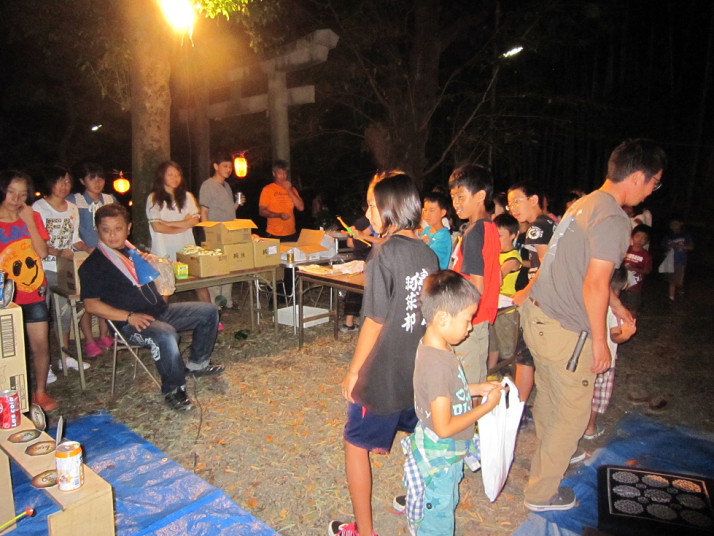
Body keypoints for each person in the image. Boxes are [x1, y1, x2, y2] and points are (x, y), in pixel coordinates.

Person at [513, 138, 666, 511]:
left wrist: (617, 305)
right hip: (565, 329)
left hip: (538, 316)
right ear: (638, 176)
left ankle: (550, 460)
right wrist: (600, 341)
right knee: (573, 413)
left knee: (551, 398)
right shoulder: (613, 218)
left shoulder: (584, 205)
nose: (653, 190)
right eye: (655, 182)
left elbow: (584, 270)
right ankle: (541, 493)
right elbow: (595, 282)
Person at [329, 172, 439, 536]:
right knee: (418, 438)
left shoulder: (383, 254)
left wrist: (354, 371)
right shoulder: (428, 253)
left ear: (391, 207)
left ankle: (364, 530)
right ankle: (420, 504)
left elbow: (374, 320)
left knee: (354, 443)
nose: (368, 213)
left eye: (372, 205)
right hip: (415, 370)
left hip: (382, 372)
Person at [78, 204, 224, 411]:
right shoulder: (93, 265)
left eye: (118, 228)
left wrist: (154, 265)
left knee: (208, 311)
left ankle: (197, 364)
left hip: (159, 312)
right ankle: (173, 389)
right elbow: (91, 305)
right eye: (105, 229)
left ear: (128, 228)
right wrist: (128, 317)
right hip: (129, 324)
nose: (112, 235)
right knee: (165, 334)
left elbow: (155, 280)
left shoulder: (132, 252)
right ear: (97, 230)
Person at [400, 270, 503, 535]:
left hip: (443, 447)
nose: (470, 327)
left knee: (444, 500)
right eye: (468, 320)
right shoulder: (438, 365)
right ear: (443, 318)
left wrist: (476, 388)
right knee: (439, 519)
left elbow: (446, 392)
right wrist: (486, 407)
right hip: (442, 453)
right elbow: (444, 427)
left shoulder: (436, 347)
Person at [0, 171, 55, 410]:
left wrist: (30, 221)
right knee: (9, 349)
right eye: (11, 192)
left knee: (40, 344)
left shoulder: (32, 216)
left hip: (34, 291)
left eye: (22, 194)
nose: (16, 199)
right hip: (5, 297)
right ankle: (10, 395)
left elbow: (42, 252)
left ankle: (40, 392)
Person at [33, 166, 92, 376]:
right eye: (59, 181)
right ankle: (45, 364)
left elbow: (74, 239)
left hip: (64, 269)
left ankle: (64, 357)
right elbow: (34, 241)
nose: (64, 186)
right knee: (42, 317)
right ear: (50, 183)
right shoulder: (38, 207)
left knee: (64, 313)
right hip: (42, 268)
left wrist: (86, 248)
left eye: (67, 181)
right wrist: (56, 252)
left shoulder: (72, 208)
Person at [448, 164, 500, 384]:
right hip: (482, 317)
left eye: (461, 196)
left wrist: (459, 317)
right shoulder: (490, 227)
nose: (456, 203)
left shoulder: (473, 233)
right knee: (477, 380)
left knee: (465, 384)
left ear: (480, 196)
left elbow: (477, 285)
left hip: (469, 319)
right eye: (453, 197)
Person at [507, 182, 557, 410]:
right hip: (551, 300)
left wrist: (526, 292)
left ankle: (517, 412)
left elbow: (547, 265)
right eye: (510, 205)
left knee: (524, 358)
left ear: (534, 200)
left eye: (517, 201)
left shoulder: (537, 227)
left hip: (540, 301)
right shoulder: (550, 223)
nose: (513, 208)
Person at [583, 267, 636, 440]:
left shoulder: (587, 299)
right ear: (624, 285)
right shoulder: (615, 310)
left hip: (584, 357)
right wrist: (626, 334)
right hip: (604, 362)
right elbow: (614, 336)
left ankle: (576, 426)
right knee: (596, 397)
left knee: (582, 394)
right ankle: (590, 428)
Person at [70, 163, 116, 358]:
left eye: (100, 178)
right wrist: (85, 247)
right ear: (82, 180)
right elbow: (71, 229)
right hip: (84, 256)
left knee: (107, 296)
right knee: (86, 298)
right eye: (92, 178)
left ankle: (104, 335)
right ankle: (89, 340)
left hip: (107, 255)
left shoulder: (110, 199)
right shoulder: (75, 201)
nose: (97, 182)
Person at [147, 161, 210, 304]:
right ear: (162, 176)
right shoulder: (153, 198)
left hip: (186, 248)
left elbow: (194, 221)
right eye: (170, 175)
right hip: (163, 250)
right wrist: (183, 225)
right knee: (164, 289)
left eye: (177, 175)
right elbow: (157, 227)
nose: (175, 178)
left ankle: (211, 314)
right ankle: (161, 316)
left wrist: (168, 223)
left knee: (200, 283)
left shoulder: (187, 197)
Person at [199, 153, 244, 319]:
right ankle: (216, 306)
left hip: (229, 233)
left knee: (228, 268)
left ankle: (227, 303)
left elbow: (229, 211)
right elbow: (204, 212)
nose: (228, 169)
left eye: (230, 166)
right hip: (215, 233)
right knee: (216, 269)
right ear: (216, 166)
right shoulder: (208, 185)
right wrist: (208, 234)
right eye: (225, 166)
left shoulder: (227, 186)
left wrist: (237, 204)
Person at [259, 160, 305, 304]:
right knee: (275, 267)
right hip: (273, 234)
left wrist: (289, 190)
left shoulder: (292, 189)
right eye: (280, 173)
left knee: (290, 267)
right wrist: (278, 215)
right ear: (274, 173)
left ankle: (289, 296)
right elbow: (262, 211)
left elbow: (301, 207)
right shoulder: (268, 189)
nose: (283, 176)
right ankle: (274, 298)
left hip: (290, 234)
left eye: (285, 173)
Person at [487, 213, 522, 371]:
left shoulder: (512, 257)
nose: (496, 239)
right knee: (493, 345)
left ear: (513, 235)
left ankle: (510, 377)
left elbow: (498, 279)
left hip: (507, 309)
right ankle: (491, 372)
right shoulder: (496, 254)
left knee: (507, 349)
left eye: (500, 236)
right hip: (494, 305)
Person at [621, 224, 652, 317]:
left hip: (635, 287)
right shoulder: (626, 249)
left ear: (647, 241)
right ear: (632, 236)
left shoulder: (645, 255)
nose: (639, 240)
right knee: (621, 305)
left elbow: (647, 270)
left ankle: (631, 323)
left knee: (633, 307)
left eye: (643, 238)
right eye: (637, 236)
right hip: (622, 284)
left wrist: (634, 269)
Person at [662, 215, 693, 302]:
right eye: (672, 224)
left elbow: (691, 247)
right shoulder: (668, 237)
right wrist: (669, 247)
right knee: (671, 280)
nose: (673, 226)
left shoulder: (685, 236)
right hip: (670, 261)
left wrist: (680, 246)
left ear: (681, 224)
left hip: (680, 261)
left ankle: (681, 290)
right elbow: (664, 246)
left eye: (676, 224)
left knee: (679, 282)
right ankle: (671, 299)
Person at [419, 192, 451, 270]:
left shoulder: (443, 235)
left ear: (442, 213)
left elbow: (431, 259)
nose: (427, 214)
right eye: (425, 210)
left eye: (431, 210)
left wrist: (422, 244)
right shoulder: (426, 230)